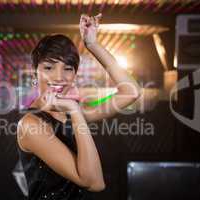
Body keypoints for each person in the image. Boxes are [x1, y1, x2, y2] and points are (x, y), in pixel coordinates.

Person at [16, 13, 141, 200]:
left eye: (68, 68)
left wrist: (92, 45)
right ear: (35, 75)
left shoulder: (69, 112)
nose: (59, 77)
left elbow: (131, 92)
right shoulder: (31, 124)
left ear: (75, 75)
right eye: (49, 68)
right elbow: (95, 182)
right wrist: (74, 111)